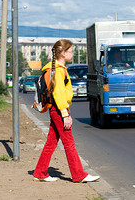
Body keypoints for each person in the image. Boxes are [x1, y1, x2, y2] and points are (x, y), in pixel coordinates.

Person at [33, 39, 100, 183]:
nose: (72, 54)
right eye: (70, 51)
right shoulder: (58, 71)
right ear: (62, 53)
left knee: (51, 142)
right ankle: (79, 175)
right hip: (59, 110)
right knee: (69, 143)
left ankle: (40, 172)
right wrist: (65, 114)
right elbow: (58, 94)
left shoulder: (58, 69)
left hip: (56, 109)